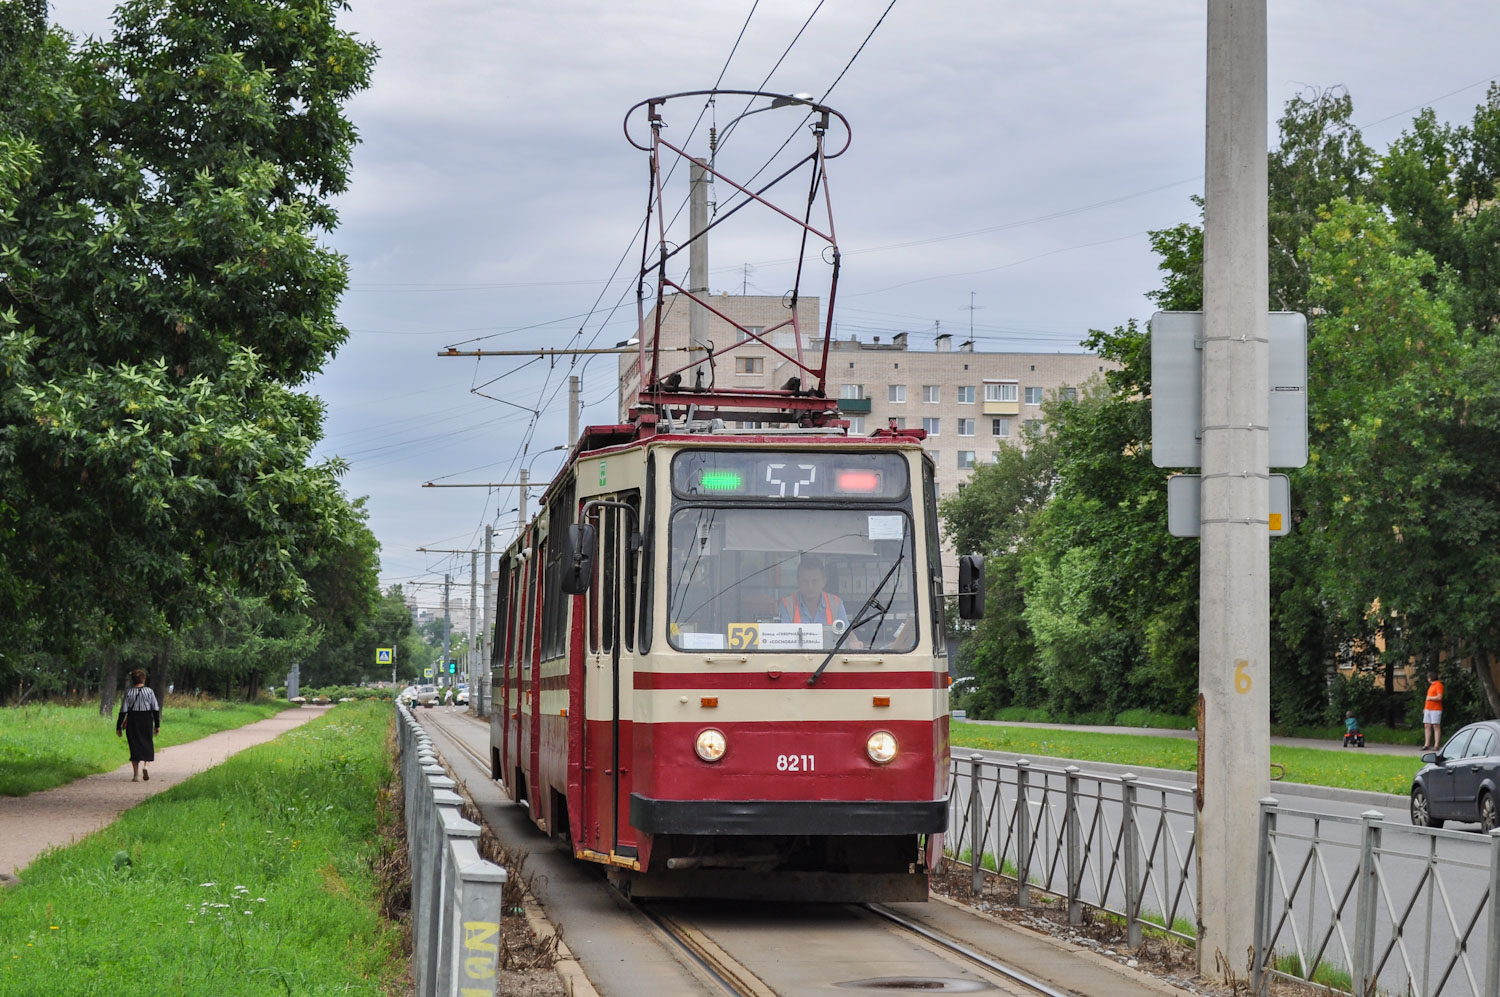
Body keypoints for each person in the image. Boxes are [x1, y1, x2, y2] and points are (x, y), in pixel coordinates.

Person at [115, 669, 161, 782]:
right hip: (146, 719)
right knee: (147, 743)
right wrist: (157, 725)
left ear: (133, 680)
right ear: (143, 679)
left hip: (133, 720)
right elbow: (155, 708)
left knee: (134, 745)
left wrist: (118, 726)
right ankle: (146, 766)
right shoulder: (149, 691)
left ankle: (136, 775)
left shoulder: (128, 692)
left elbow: (123, 710)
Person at [1422, 670, 1444, 751]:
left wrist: (1430, 698)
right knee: (1427, 725)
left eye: (1428, 677)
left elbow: (1439, 697)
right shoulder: (1431, 686)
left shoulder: (1438, 685)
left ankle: (1436, 745)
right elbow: (1427, 699)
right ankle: (1426, 744)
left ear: (1430, 678)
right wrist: (1425, 708)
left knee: (1436, 726)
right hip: (1428, 709)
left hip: (1436, 709)